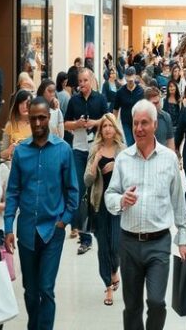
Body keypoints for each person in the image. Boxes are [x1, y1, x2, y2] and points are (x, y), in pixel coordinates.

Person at [105, 100, 186, 330]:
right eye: (135, 123)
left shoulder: (169, 158)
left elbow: (178, 201)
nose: (139, 128)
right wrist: (121, 200)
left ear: (155, 125)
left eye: (144, 123)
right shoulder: (123, 159)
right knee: (132, 306)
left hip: (159, 243)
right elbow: (109, 195)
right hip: (129, 242)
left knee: (156, 301)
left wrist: (182, 238)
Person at [4, 97, 79, 330]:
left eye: (42, 117)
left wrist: (64, 221)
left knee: (46, 288)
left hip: (52, 232)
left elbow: (73, 191)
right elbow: (13, 192)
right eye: (33, 117)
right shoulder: (21, 152)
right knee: (30, 290)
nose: (37, 122)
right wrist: (8, 227)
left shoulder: (63, 150)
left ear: (49, 118)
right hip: (26, 231)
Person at [64, 68, 108, 253]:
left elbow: (108, 120)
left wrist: (94, 123)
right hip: (79, 149)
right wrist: (78, 124)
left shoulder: (100, 98)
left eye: (84, 80)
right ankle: (85, 237)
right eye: (79, 81)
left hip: (97, 148)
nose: (81, 84)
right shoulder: (74, 101)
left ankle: (102, 229)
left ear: (91, 81)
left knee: (98, 188)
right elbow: (66, 124)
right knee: (81, 190)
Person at [84, 114, 124, 307]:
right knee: (103, 247)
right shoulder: (95, 149)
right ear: (100, 130)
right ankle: (108, 286)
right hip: (99, 204)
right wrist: (95, 161)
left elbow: (131, 178)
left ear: (116, 129)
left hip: (117, 205)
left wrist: (117, 165)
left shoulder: (123, 151)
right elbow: (87, 180)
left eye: (111, 125)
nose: (108, 129)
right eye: (104, 126)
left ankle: (114, 269)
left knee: (115, 245)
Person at [114, 67, 144, 147]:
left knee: (137, 142)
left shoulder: (141, 91)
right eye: (128, 81)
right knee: (130, 143)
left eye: (131, 81)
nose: (130, 82)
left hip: (138, 121)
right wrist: (114, 123)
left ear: (135, 77)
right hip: (126, 122)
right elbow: (116, 109)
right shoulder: (120, 92)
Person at [1, 90, 33, 161]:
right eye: (21, 103)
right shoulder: (10, 125)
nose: (25, 106)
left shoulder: (37, 124)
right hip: (14, 165)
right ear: (16, 106)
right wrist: (10, 150)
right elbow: (1, 154)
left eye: (27, 103)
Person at [144, 86, 175, 150]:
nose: (158, 105)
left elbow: (170, 140)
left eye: (159, 102)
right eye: (154, 103)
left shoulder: (166, 117)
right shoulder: (140, 118)